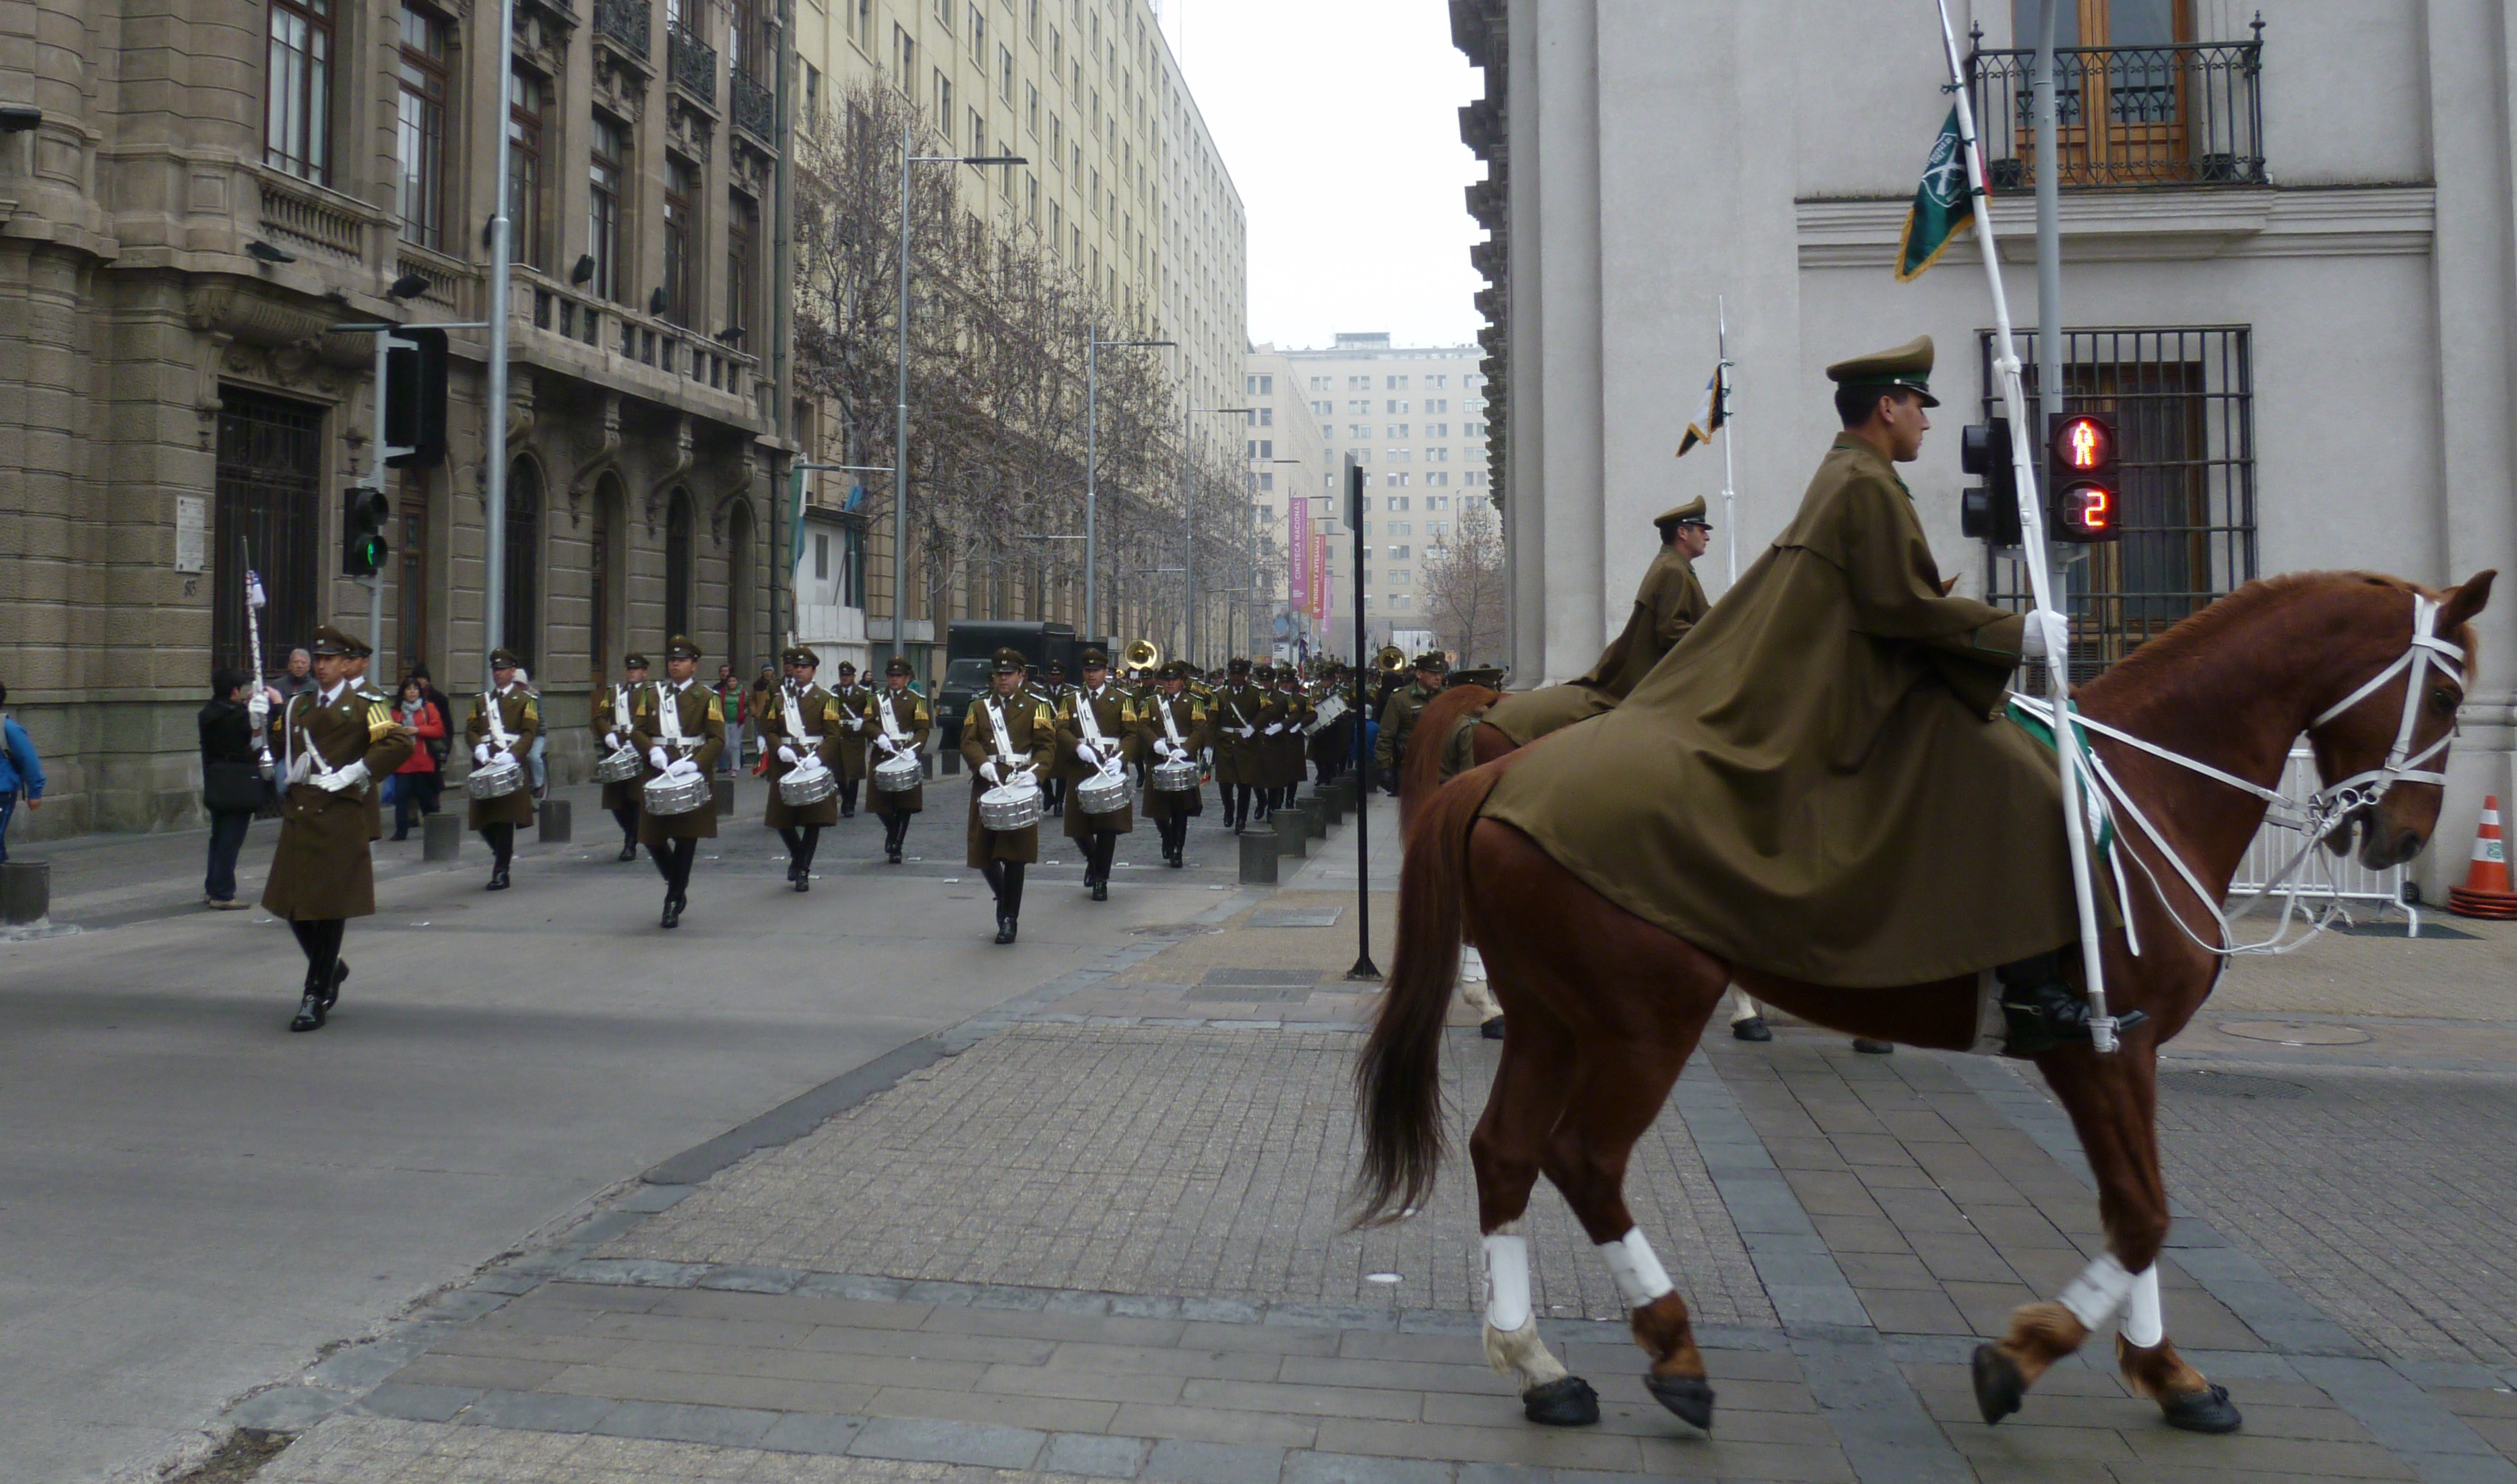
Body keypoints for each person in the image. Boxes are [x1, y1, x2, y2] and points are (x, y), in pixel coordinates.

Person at [1479, 335, 2113, 1057]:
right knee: (2026, 783)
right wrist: (2014, 633)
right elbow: (1895, 604)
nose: (1926, 423)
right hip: (1851, 694)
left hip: (1852, 673)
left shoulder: (1851, 475)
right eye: (1918, 406)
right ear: (1887, 406)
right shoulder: (1863, 484)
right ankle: (2032, 989)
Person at [259, 626, 414, 1031]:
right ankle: (331, 967)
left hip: (339, 815)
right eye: (319, 658)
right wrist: (263, 720)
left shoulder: (367, 703)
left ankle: (314, 994)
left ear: (347, 664)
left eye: (330, 659)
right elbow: (278, 750)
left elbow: (398, 743)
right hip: (300, 816)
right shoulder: (298, 705)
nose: (322, 665)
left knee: (329, 908)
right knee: (292, 906)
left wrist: (357, 770)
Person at [1483, 498, 1714, 748]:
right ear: (1682, 532)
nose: (1707, 537)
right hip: (1645, 682)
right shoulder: (1673, 570)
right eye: (1701, 530)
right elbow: (1671, 631)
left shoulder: (1673, 566)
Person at [961, 648, 1054, 943]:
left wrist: (1035, 774)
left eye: (1009, 674)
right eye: (999, 674)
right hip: (988, 785)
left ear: (1021, 676)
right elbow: (968, 741)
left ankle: (1009, 918)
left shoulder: (1036, 706)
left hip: (1019, 786)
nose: (1003, 679)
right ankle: (1004, 897)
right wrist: (982, 764)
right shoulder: (978, 707)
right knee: (983, 854)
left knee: (1015, 857)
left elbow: (1046, 747)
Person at [635, 637, 725, 928]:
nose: (675, 664)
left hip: (689, 772)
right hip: (659, 771)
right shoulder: (652, 695)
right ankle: (677, 882)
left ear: (694, 665)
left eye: (682, 660)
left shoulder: (707, 696)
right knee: (652, 837)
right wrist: (651, 750)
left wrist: (696, 763)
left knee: (686, 838)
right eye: (672, 660)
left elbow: (717, 739)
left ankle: (673, 900)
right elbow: (637, 732)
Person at [1055, 648, 1139, 901]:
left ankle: (1101, 879)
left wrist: (1121, 757)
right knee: (1078, 827)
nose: (1091, 675)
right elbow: (1060, 728)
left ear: (1105, 672)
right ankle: (1093, 859)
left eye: (1096, 671)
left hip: (1109, 767)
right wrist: (1077, 746)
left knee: (1107, 828)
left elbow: (1131, 734)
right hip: (1080, 768)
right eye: (1087, 671)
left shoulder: (1121, 699)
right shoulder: (1071, 700)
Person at [759, 645, 843, 891]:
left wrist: (819, 758)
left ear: (813, 671)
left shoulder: (826, 699)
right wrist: (777, 748)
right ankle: (798, 856)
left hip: (812, 762)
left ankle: (803, 868)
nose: (798, 671)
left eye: (804, 667)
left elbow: (832, 735)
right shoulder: (780, 698)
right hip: (786, 763)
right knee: (781, 820)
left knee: (812, 820)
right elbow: (770, 729)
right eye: (796, 667)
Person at [464, 649, 540, 891]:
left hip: (510, 764)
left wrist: (514, 755)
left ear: (512, 671)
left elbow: (529, 732)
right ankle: (502, 853)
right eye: (495, 670)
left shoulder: (525, 699)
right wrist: (478, 748)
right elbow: (471, 729)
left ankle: (501, 872)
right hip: (486, 763)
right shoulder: (481, 700)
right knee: (484, 819)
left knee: (506, 818)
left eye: (503, 670)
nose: (498, 674)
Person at [197, 667, 271, 907]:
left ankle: (213, 887)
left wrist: (246, 707)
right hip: (237, 784)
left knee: (218, 838)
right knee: (231, 840)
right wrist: (256, 711)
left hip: (216, 780)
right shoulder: (238, 717)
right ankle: (223, 893)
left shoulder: (208, 713)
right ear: (234, 691)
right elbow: (255, 738)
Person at [1134, 659, 1210, 868]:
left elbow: (1200, 729)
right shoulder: (1152, 702)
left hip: (1182, 759)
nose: (1170, 684)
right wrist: (1154, 743)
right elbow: (1142, 726)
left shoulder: (1193, 701)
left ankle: (1177, 848)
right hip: (1159, 759)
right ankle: (1166, 835)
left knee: (1179, 809)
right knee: (1157, 808)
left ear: (1182, 682)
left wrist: (1186, 749)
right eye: (1166, 680)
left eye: (1174, 680)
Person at [867, 655, 931, 864]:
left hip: (905, 754)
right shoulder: (875, 699)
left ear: (906, 678)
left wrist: (915, 750)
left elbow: (922, 729)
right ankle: (893, 830)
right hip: (882, 754)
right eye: (891, 676)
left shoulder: (916, 700)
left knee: (905, 804)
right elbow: (867, 723)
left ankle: (897, 845)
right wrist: (878, 735)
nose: (894, 679)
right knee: (879, 803)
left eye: (899, 676)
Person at [592, 653, 651, 860]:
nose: (632, 673)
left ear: (644, 672)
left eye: (636, 670)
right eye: (629, 670)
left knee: (634, 799)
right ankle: (631, 833)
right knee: (616, 801)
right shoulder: (614, 693)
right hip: (616, 751)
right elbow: (599, 717)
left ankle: (630, 843)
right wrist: (607, 734)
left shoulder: (651, 694)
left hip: (638, 752)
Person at [1211, 657, 1277, 832]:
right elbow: (1212, 722)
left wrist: (1253, 726)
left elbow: (1269, 710)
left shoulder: (1256, 693)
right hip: (1225, 742)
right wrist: (1208, 747)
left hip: (1246, 744)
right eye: (1234, 674)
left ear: (1246, 676)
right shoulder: (1220, 695)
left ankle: (1241, 819)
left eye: (1240, 674)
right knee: (1225, 783)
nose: (1236, 678)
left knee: (1245, 784)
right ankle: (1229, 809)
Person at [1372, 653, 1448, 794]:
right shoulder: (1400, 699)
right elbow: (1385, 735)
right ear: (1419, 674)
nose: (1438, 677)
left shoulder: (1447, 698)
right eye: (1433, 673)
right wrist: (1384, 767)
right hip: (1411, 769)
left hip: (1443, 769)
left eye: (1440, 673)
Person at [388, 674, 446, 841]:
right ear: (403, 692)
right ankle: (401, 831)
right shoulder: (395, 711)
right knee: (401, 798)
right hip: (403, 762)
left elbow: (438, 730)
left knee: (426, 798)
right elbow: (389, 732)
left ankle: (435, 829)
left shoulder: (429, 708)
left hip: (423, 760)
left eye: (415, 689)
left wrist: (418, 730)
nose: (412, 692)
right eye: (408, 689)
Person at [827, 660, 875, 818]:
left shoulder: (862, 693)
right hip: (839, 736)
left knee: (853, 773)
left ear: (854, 676)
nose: (845, 678)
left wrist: (863, 721)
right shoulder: (834, 693)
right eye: (842, 675)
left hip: (855, 737)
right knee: (839, 773)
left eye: (848, 675)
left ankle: (850, 804)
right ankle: (846, 799)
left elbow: (869, 712)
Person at [1263, 664, 1312, 816]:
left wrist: (1299, 725)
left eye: (1289, 682)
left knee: (1293, 772)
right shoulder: (1272, 697)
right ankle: (1275, 803)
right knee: (1275, 774)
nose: (1286, 685)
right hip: (1276, 740)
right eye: (1283, 683)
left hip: (1293, 740)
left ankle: (1290, 799)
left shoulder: (1301, 699)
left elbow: (1312, 714)